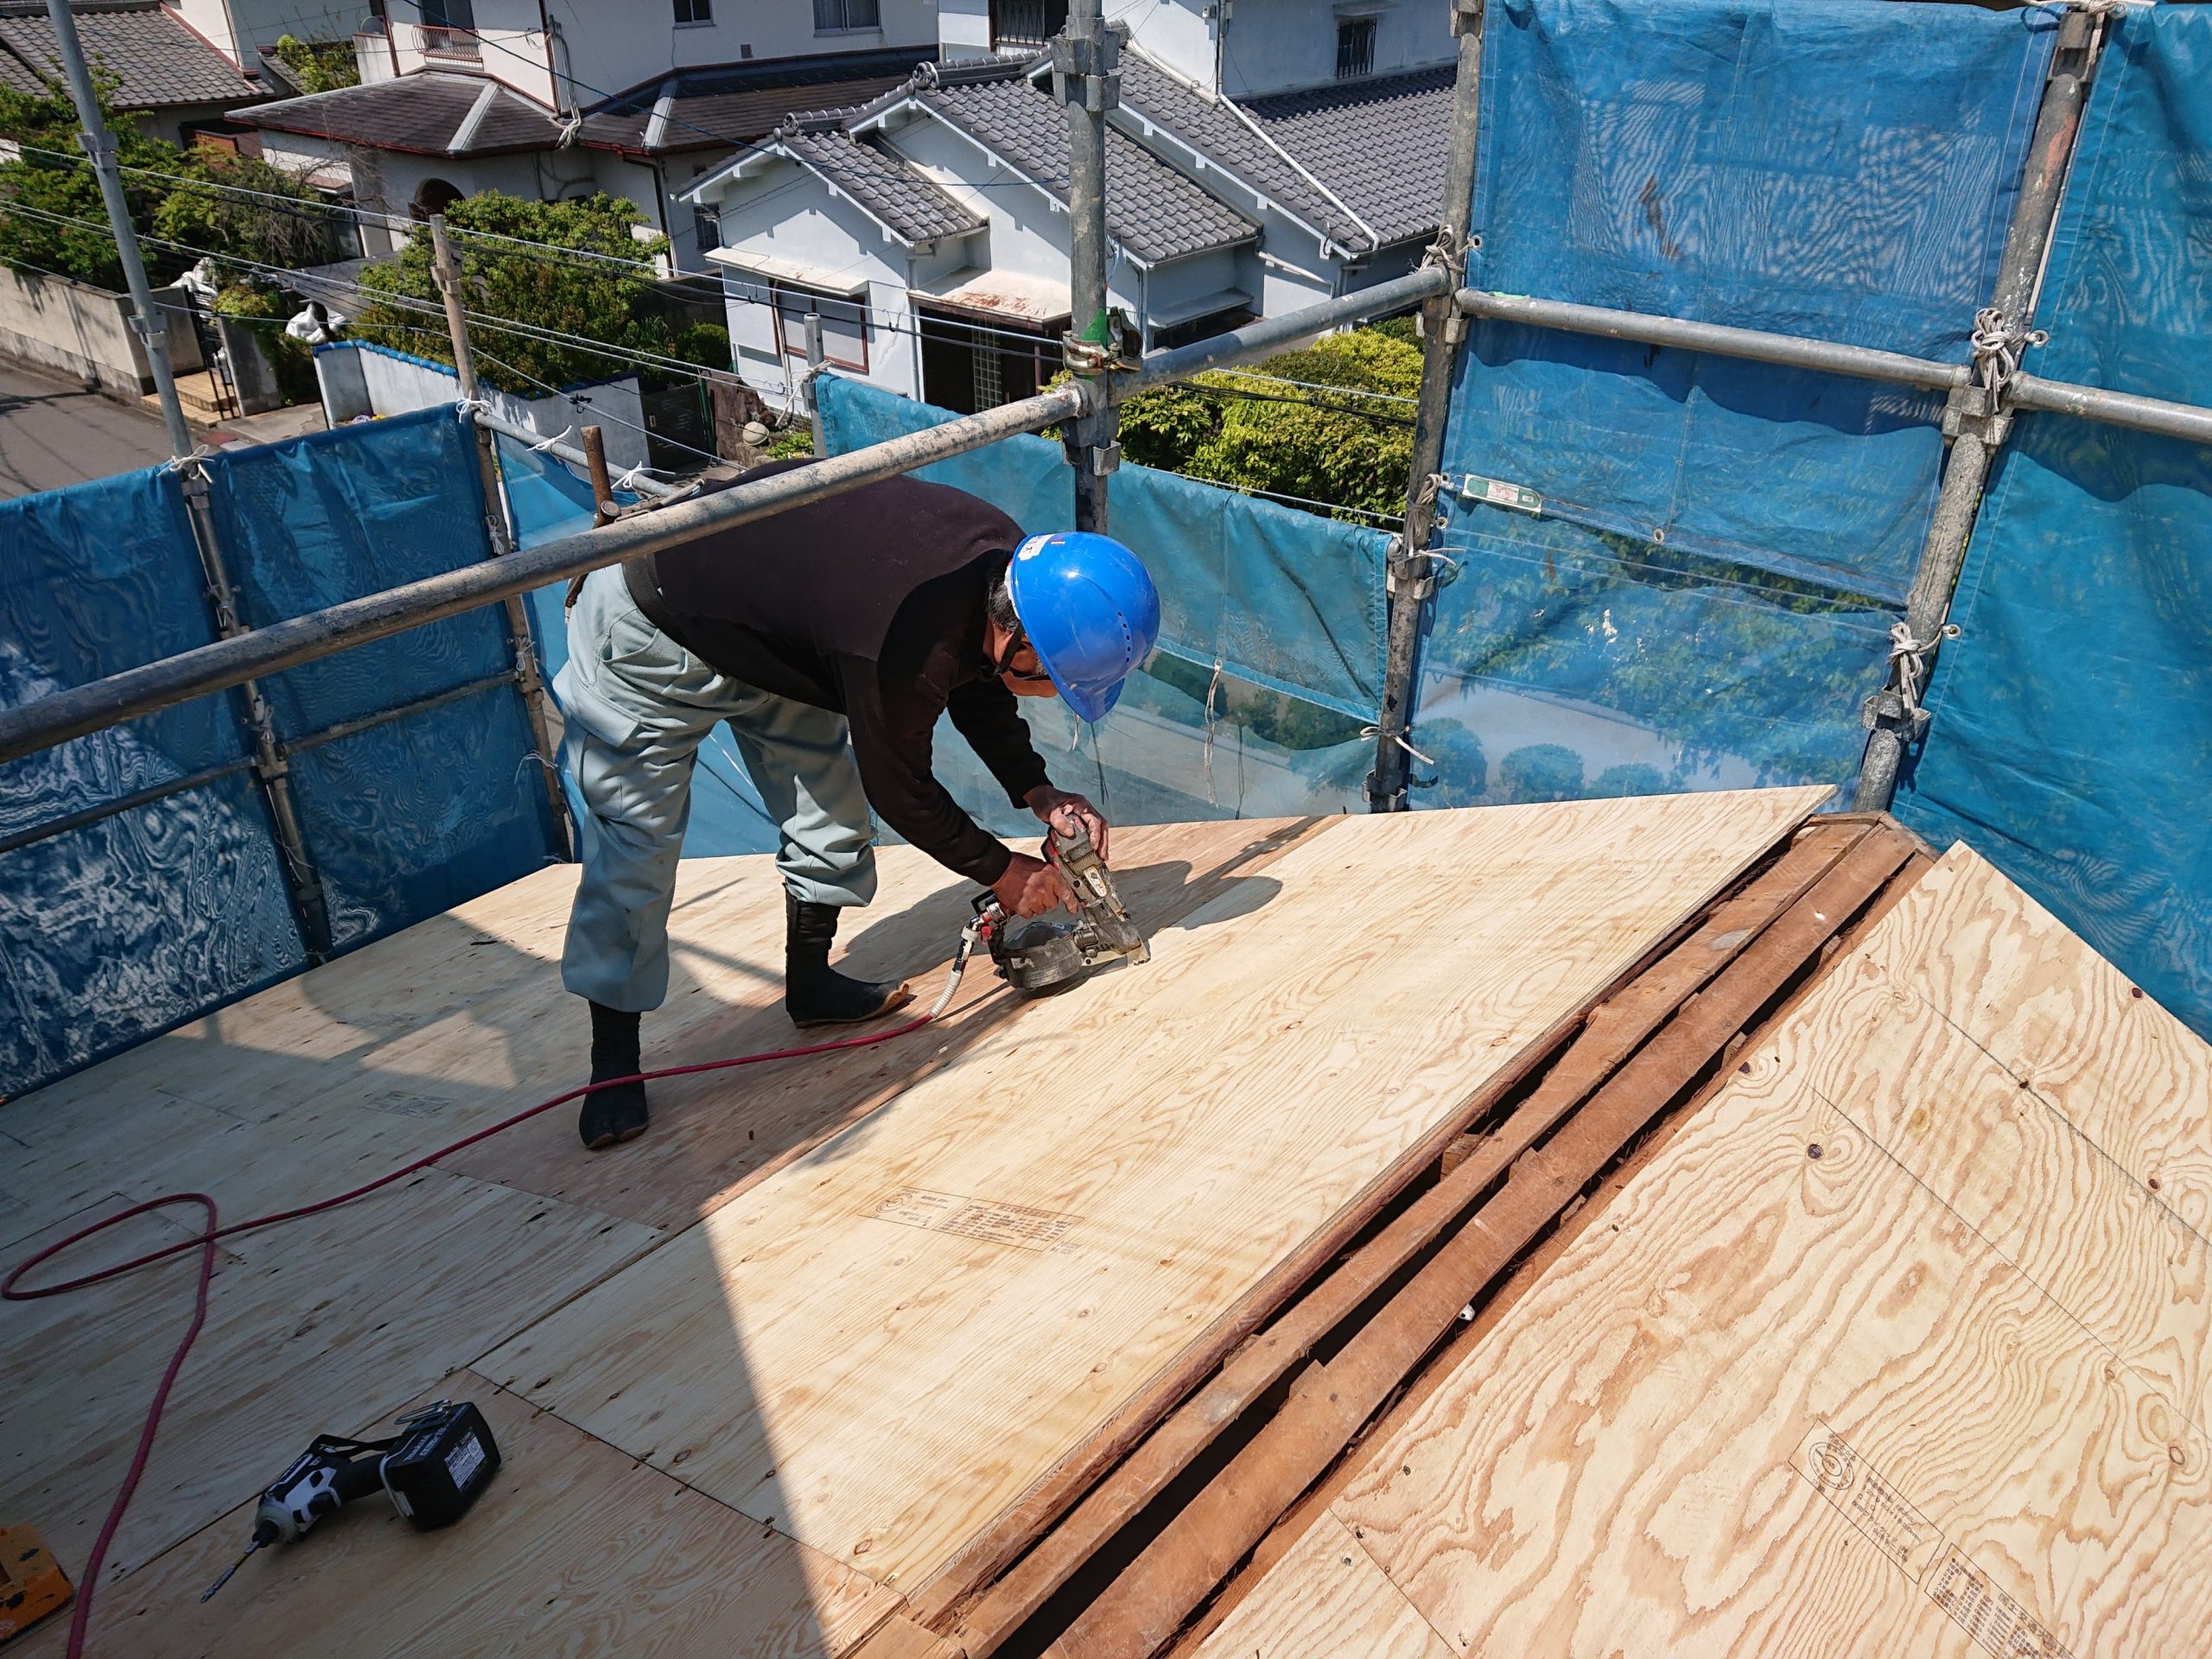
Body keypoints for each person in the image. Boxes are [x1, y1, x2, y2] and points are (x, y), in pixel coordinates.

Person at [555, 458, 1162, 1150]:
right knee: (635, 845)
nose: (1053, 694)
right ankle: (613, 1057)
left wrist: (1038, 791)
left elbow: (976, 681)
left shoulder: (1010, 575)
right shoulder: (901, 638)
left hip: (772, 636)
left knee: (831, 813)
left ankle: (810, 985)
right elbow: (901, 788)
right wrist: (1004, 873)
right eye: (1051, 678)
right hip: (652, 625)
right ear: (1016, 633)